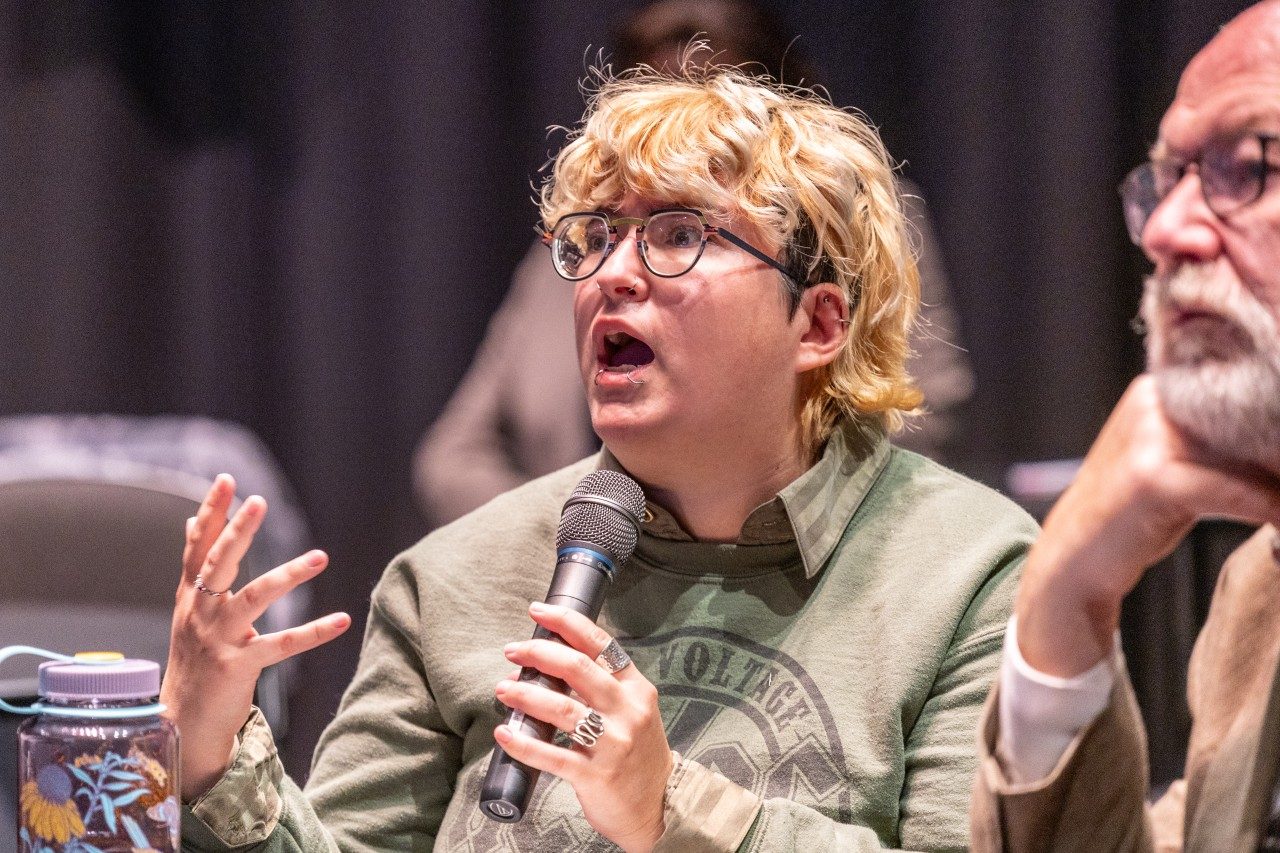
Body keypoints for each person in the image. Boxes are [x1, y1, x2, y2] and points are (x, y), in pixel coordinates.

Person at [166, 66, 1035, 852]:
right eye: (595, 239)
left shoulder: (970, 573)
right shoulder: (454, 578)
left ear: (816, 324)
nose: (613, 274)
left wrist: (672, 806)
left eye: (678, 233)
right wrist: (210, 763)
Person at [412, 0, 974, 528]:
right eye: (649, 107)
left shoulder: (850, 225)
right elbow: (454, 457)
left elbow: (915, 409)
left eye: (682, 234)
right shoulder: (578, 253)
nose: (617, 271)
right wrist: (592, 530)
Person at [969, 2, 1280, 850]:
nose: (1170, 232)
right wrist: (1061, 603)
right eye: (1172, 177)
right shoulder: (1260, 591)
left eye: (1250, 165)